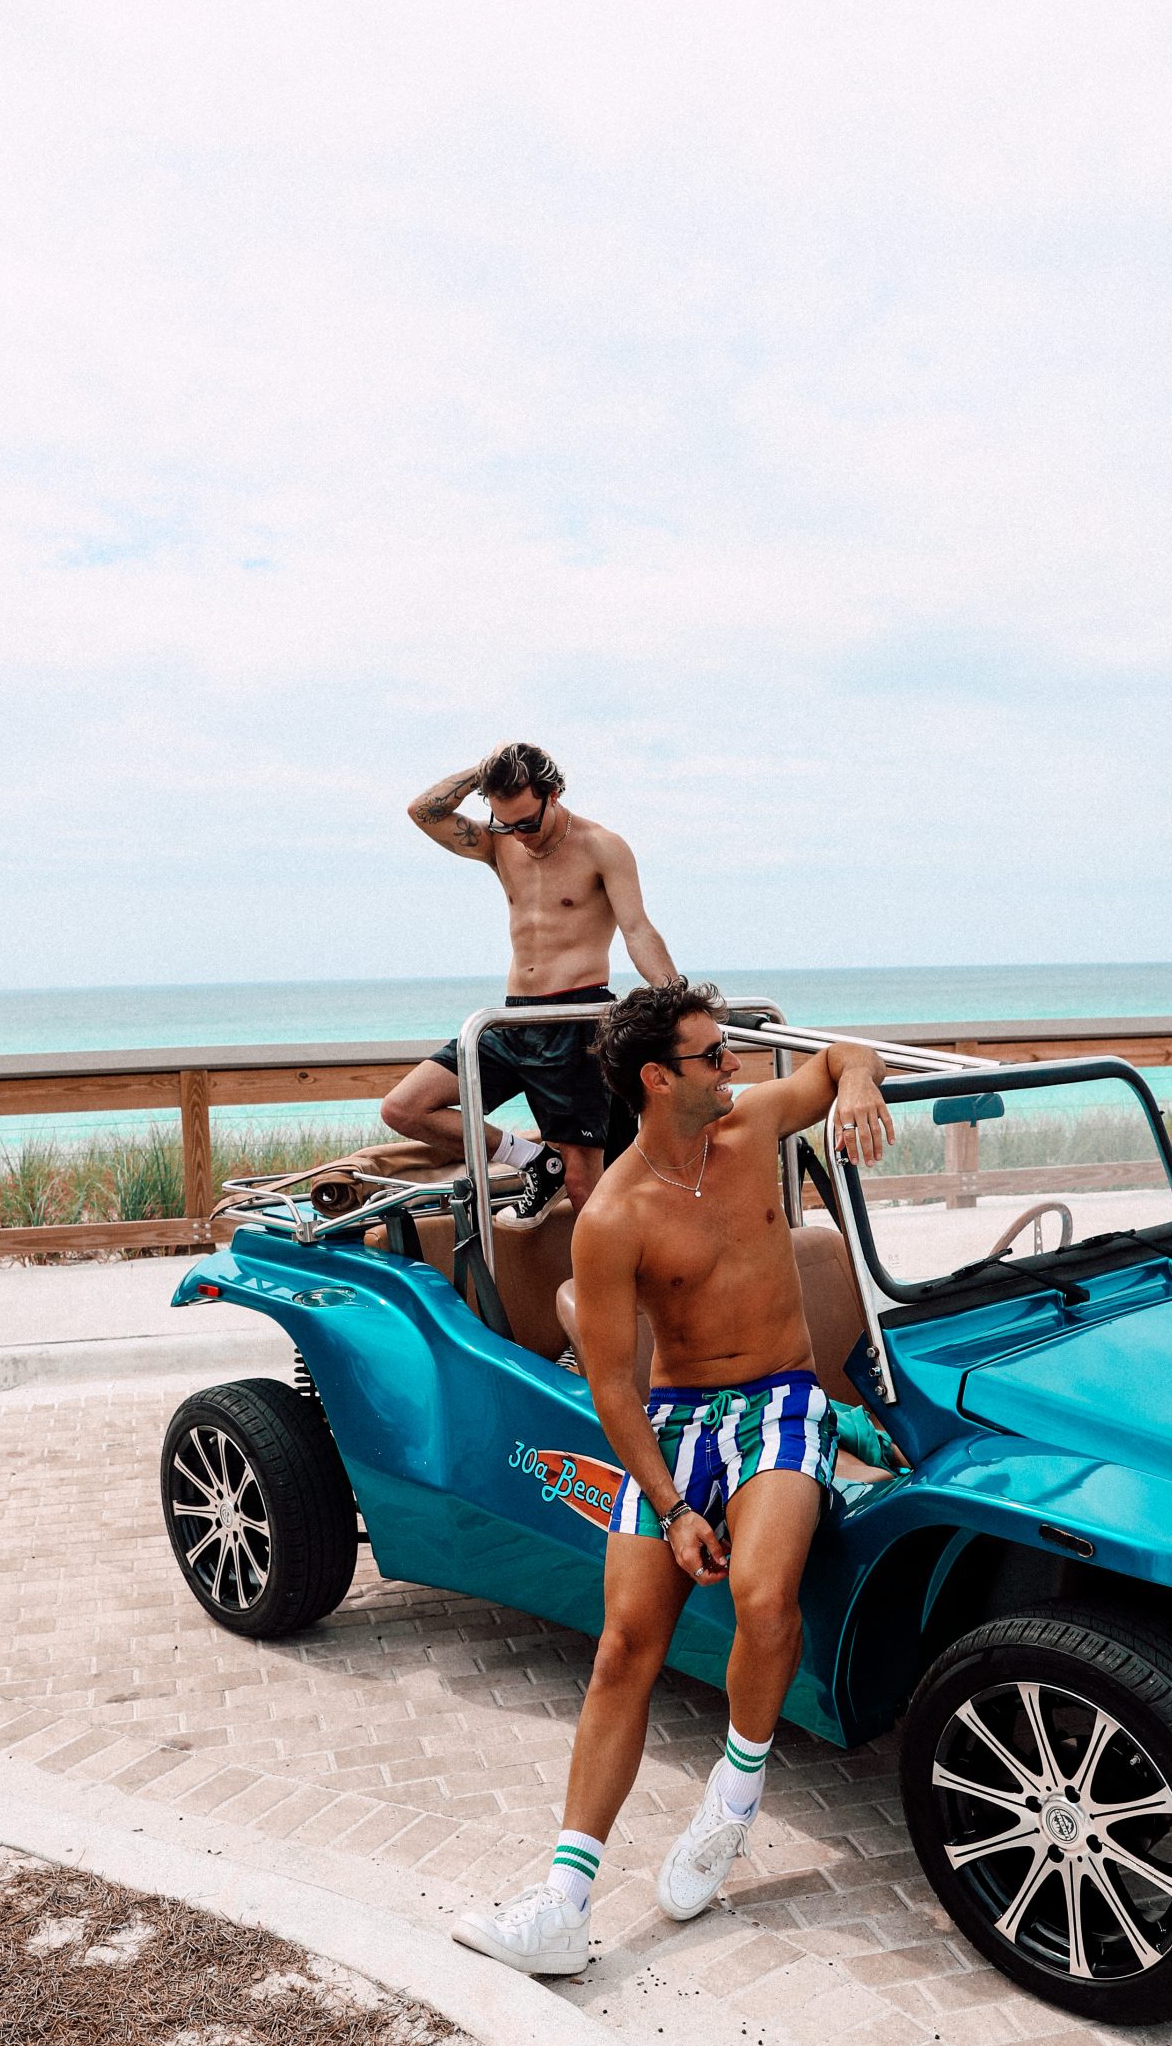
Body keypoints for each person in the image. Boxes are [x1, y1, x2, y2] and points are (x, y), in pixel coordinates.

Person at [451, 978, 894, 1977]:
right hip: (676, 1420)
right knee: (621, 1647)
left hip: (783, 1401)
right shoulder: (615, 1214)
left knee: (763, 1596)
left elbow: (840, 1058)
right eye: (712, 1055)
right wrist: (672, 1504)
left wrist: (861, 1082)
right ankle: (563, 1906)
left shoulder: (753, 1122)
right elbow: (612, 1383)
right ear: (657, 1078)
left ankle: (731, 1803)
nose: (732, 1066)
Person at [381, 744, 677, 1228]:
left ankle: (604, 1275)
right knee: (405, 1108)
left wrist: (677, 998)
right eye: (505, 824)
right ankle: (536, 1162)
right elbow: (422, 811)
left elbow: (637, 930)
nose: (519, 834)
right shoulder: (501, 844)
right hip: (511, 1019)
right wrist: (483, 772)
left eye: (526, 822)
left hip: (575, 1019)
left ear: (553, 794)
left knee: (585, 1185)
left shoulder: (602, 846)